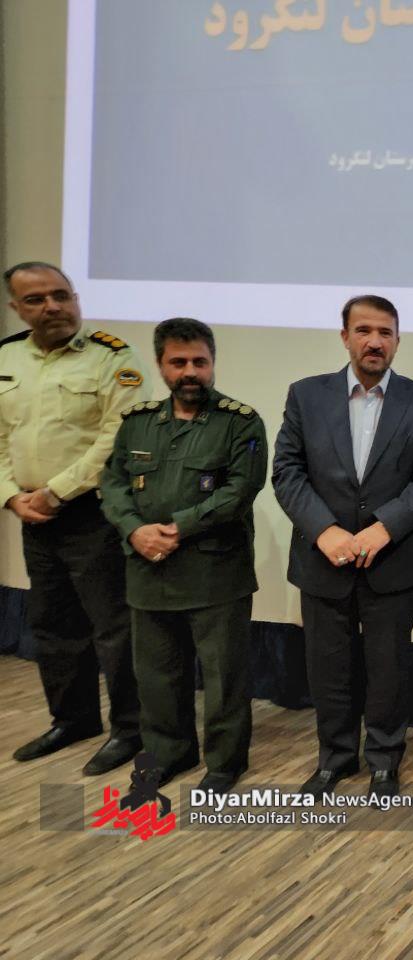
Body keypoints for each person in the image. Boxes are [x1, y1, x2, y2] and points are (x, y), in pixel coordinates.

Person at [273, 294, 413, 799]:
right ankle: (334, 758)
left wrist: (385, 528)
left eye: (385, 332)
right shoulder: (306, 395)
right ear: (345, 336)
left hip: (393, 559)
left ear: (397, 341)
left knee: (390, 669)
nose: (375, 341)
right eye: (365, 330)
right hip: (323, 559)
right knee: (328, 668)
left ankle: (385, 762)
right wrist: (323, 530)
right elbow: (287, 470)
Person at [100, 318, 267, 792]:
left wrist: (178, 528)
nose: (190, 371)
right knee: (156, 676)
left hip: (216, 574)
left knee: (223, 677)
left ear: (213, 363)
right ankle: (169, 752)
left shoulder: (241, 422)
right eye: (178, 362)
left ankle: (225, 762)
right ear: (161, 365)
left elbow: (240, 490)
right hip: (148, 572)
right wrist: (135, 531)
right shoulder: (137, 423)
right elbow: (113, 484)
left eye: (200, 361)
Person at [0, 261, 142, 775]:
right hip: (32, 515)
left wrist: (56, 492)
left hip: (92, 512)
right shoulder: (6, 357)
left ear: (76, 298)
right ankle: (73, 719)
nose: (53, 306)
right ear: (16, 308)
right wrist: (11, 497)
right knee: (53, 623)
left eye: (61, 295)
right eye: (36, 299)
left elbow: (117, 437)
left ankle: (131, 728)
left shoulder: (111, 357)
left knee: (113, 626)